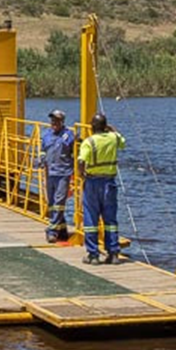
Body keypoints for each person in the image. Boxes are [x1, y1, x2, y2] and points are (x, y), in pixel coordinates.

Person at [77, 113, 126, 265]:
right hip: (109, 183)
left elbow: (81, 161)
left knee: (91, 219)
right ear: (105, 126)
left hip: (92, 183)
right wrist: (112, 129)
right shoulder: (113, 138)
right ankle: (113, 253)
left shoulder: (88, 142)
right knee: (110, 220)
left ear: (91, 127)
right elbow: (122, 141)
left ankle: (93, 254)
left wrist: (82, 174)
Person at [35, 109, 76, 243]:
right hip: (50, 172)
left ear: (62, 122)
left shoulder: (68, 135)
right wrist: (41, 159)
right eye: (52, 120)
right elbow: (42, 150)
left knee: (59, 202)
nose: (54, 123)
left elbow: (75, 150)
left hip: (63, 173)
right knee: (52, 203)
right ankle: (62, 229)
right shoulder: (47, 135)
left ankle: (52, 231)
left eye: (57, 121)